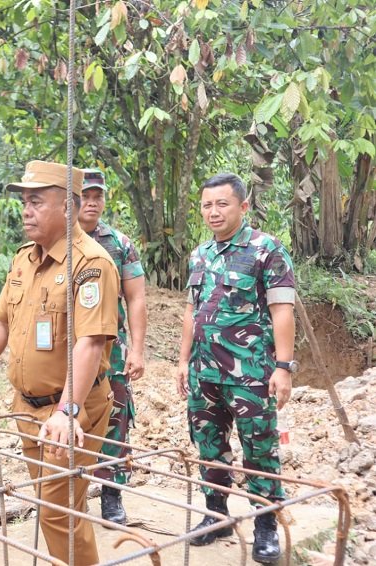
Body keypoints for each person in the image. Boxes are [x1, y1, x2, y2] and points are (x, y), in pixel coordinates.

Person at [0, 160, 120, 565]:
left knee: (58, 511)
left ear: (68, 207)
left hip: (70, 410)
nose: (26, 211)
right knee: (57, 505)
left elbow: (91, 343)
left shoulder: (90, 264)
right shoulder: (25, 259)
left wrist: (67, 411)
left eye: (36, 201)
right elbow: (0, 322)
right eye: (24, 202)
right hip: (28, 408)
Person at [175, 172, 294, 564]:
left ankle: (265, 527)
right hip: (204, 373)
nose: (214, 212)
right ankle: (216, 516)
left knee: (259, 448)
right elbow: (191, 310)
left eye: (222, 204)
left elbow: (282, 310)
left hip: (251, 374)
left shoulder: (266, 250)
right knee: (209, 445)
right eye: (207, 205)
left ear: (243, 206)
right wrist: (183, 361)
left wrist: (283, 367)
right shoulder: (199, 254)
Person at [78, 168, 147, 525]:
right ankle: (71, 494)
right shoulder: (57, 239)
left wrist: (137, 349)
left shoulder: (119, 244)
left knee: (115, 417)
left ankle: (111, 493)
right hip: (66, 349)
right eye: (85, 196)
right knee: (68, 415)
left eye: (98, 196)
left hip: (111, 350)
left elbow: (136, 298)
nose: (92, 203)